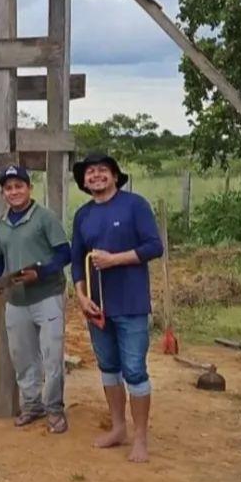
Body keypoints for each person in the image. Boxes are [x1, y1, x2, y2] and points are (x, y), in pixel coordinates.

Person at [70, 152, 164, 463]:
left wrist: (115, 259)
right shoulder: (82, 215)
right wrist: (82, 297)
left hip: (131, 304)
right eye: (90, 173)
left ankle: (141, 438)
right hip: (97, 308)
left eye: (102, 171)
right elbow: (76, 261)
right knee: (109, 368)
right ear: (84, 181)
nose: (95, 176)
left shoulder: (135, 205)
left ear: (114, 175)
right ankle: (118, 428)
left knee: (135, 370)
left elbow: (154, 246)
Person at [0, 164, 72, 434]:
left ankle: (55, 409)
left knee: (52, 355)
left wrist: (42, 272)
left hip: (47, 295)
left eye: (19, 186)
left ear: (29, 188)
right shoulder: (0, 224)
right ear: (3, 193)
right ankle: (32, 405)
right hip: (17, 299)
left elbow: (64, 253)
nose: (14, 192)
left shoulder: (44, 217)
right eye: (9, 188)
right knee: (23, 357)